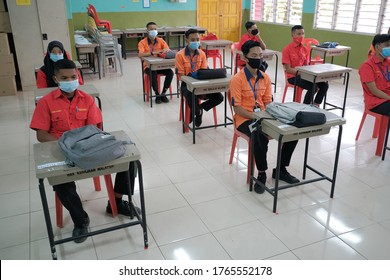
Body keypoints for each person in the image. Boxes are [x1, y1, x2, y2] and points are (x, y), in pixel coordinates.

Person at [30, 59, 138, 243]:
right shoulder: (46, 102)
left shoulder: (87, 99)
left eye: (73, 77)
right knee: (60, 182)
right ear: (56, 79)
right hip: (62, 149)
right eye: (64, 78)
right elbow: (41, 135)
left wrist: (87, 146)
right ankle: (80, 220)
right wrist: (66, 146)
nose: (70, 80)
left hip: (88, 147)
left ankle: (117, 202)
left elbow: (95, 129)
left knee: (129, 160)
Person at [230, 40, 299, 194]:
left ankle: (280, 169)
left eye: (260, 55)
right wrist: (256, 117)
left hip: (263, 116)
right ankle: (261, 173)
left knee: (292, 130)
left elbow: (268, 102)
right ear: (245, 58)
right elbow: (237, 108)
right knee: (258, 134)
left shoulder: (265, 78)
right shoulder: (237, 79)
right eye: (254, 55)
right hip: (245, 119)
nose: (258, 58)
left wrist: (273, 114)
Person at [175, 28, 223, 127]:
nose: (196, 42)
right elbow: (181, 76)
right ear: (186, 40)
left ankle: (199, 108)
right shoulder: (180, 55)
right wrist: (191, 81)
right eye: (193, 40)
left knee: (219, 97)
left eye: (197, 39)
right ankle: (198, 113)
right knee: (190, 95)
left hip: (201, 82)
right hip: (187, 84)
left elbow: (204, 72)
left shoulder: (202, 53)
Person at [282, 25, 329, 106]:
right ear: (293, 35)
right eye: (299, 34)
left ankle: (316, 104)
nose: (301, 36)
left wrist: (311, 72)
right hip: (293, 77)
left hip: (305, 75)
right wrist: (302, 72)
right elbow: (288, 69)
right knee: (313, 86)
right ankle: (305, 107)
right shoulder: (287, 50)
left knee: (324, 85)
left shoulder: (305, 50)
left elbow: (307, 66)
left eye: (303, 34)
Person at [138, 21, 174, 104]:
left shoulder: (161, 40)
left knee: (170, 73)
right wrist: (152, 53)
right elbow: (140, 54)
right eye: (151, 29)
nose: (153, 31)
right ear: (147, 31)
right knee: (153, 73)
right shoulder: (142, 42)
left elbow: (167, 49)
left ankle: (163, 93)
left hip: (160, 65)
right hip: (148, 66)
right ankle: (157, 94)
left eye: (155, 29)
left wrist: (163, 51)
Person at [359, 34, 390, 119]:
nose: (389, 47)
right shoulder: (367, 66)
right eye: (387, 45)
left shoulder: (388, 63)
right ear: (377, 47)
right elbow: (374, 91)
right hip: (376, 102)